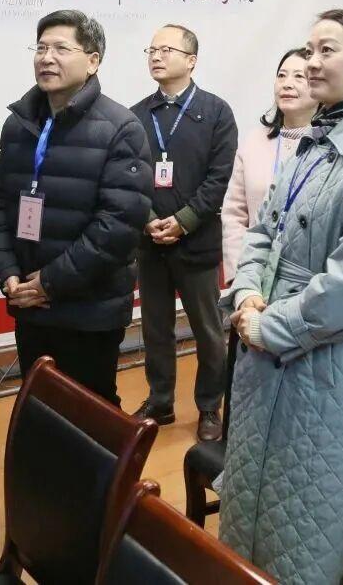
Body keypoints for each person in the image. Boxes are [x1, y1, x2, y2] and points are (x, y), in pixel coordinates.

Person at [220, 10, 343, 585]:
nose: (310, 63)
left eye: (326, 51)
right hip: (265, 349)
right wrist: (247, 296)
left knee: (310, 513)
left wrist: (270, 326)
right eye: (307, 50)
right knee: (252, 501)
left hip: (330, 360)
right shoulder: (312, 142)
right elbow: (262, 230)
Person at [0, 10, 152, 405]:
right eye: (41, 48)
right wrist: (8, 274)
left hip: (89, 310)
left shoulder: (121, 128)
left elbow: (117, 227)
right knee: (38, 406)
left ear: (93, 61)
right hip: (29, 301)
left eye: (60, 48)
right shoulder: (19, 124)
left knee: (89, 413)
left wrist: (49, 283)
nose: (46, 58)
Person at [129, 25, 237, 442]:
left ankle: (210, 405)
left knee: (208, 330)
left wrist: (184, 221)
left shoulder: (216, 112)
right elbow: (130, 175)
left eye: (166, 50)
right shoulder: (137, 115)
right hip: (150, 242)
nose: (156, 56)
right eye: (151, 50)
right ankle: (161, 400)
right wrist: (148, 219)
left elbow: (219, 178)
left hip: (197, 241)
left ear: (191, 61)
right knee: (155, 328)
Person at [221, 47, 316, 284]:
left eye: (299, 76)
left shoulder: (330, 144)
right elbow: (234, 214)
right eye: (281, 75)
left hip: (306, 279)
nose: (287, 84)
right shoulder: (254, 141)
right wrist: (240, 279)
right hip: (252, 273)